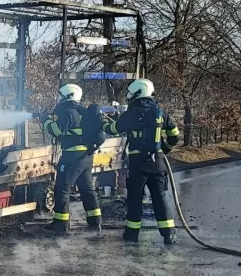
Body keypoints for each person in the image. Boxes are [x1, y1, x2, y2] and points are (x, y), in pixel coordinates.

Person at [104, 78, 180, 245]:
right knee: (159, 196)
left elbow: (113, 129)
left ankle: (132, 235)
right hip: (157, 161)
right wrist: (163, 150)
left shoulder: (131, 114)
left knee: (135, 198)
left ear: (138, 93)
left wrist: (103, 121)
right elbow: (175, 136)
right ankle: (169, 234)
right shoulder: (161, 113)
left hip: (138, 162)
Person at [42, 84, 102, 235]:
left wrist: (45, 120)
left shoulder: (69, 112)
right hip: (86, 157)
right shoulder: (83, 112)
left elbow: (56, 130)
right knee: (87, 189)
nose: (59, 99)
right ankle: (95, 223)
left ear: (68, 96)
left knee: (62, 189)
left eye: (61, 96)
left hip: (72, 157)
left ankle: (60, 224)